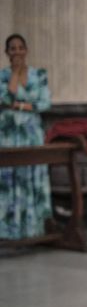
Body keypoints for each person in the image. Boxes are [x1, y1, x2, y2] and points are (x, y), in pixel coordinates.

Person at [0, 34, 52, 239]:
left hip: (31, 133)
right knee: (10, 178)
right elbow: (4, 98)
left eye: (20, 47)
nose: (17, 52)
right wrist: (15, 73)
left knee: (31, 175)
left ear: (26, 50)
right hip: (8, 134)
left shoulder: (39, 74)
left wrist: (19, 105)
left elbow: (44, 103)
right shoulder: (2, 75)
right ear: (7, 53)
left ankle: (32, 229)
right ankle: (9, 229)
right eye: (12, 48)